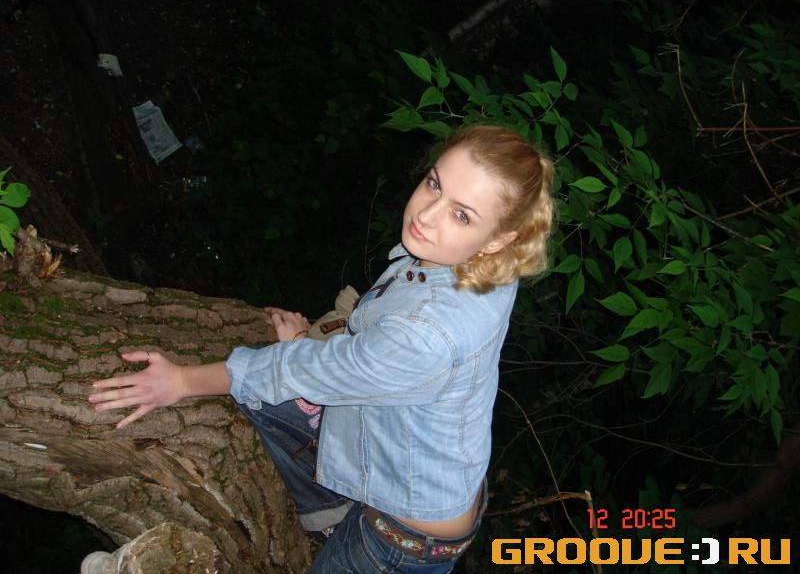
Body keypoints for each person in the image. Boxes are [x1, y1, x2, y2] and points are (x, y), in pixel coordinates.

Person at [87, 124, 556, 573]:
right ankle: (332, 507)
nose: (426, 214)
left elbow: (296, 370)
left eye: (462, 214)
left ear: (499, 240)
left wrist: (181, 381)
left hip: (398, 538)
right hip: (404, 458)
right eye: (434, 183)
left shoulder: (427, 333)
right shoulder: (484, 265)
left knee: (264, 381)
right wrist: (316, 347)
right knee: (264, 401)